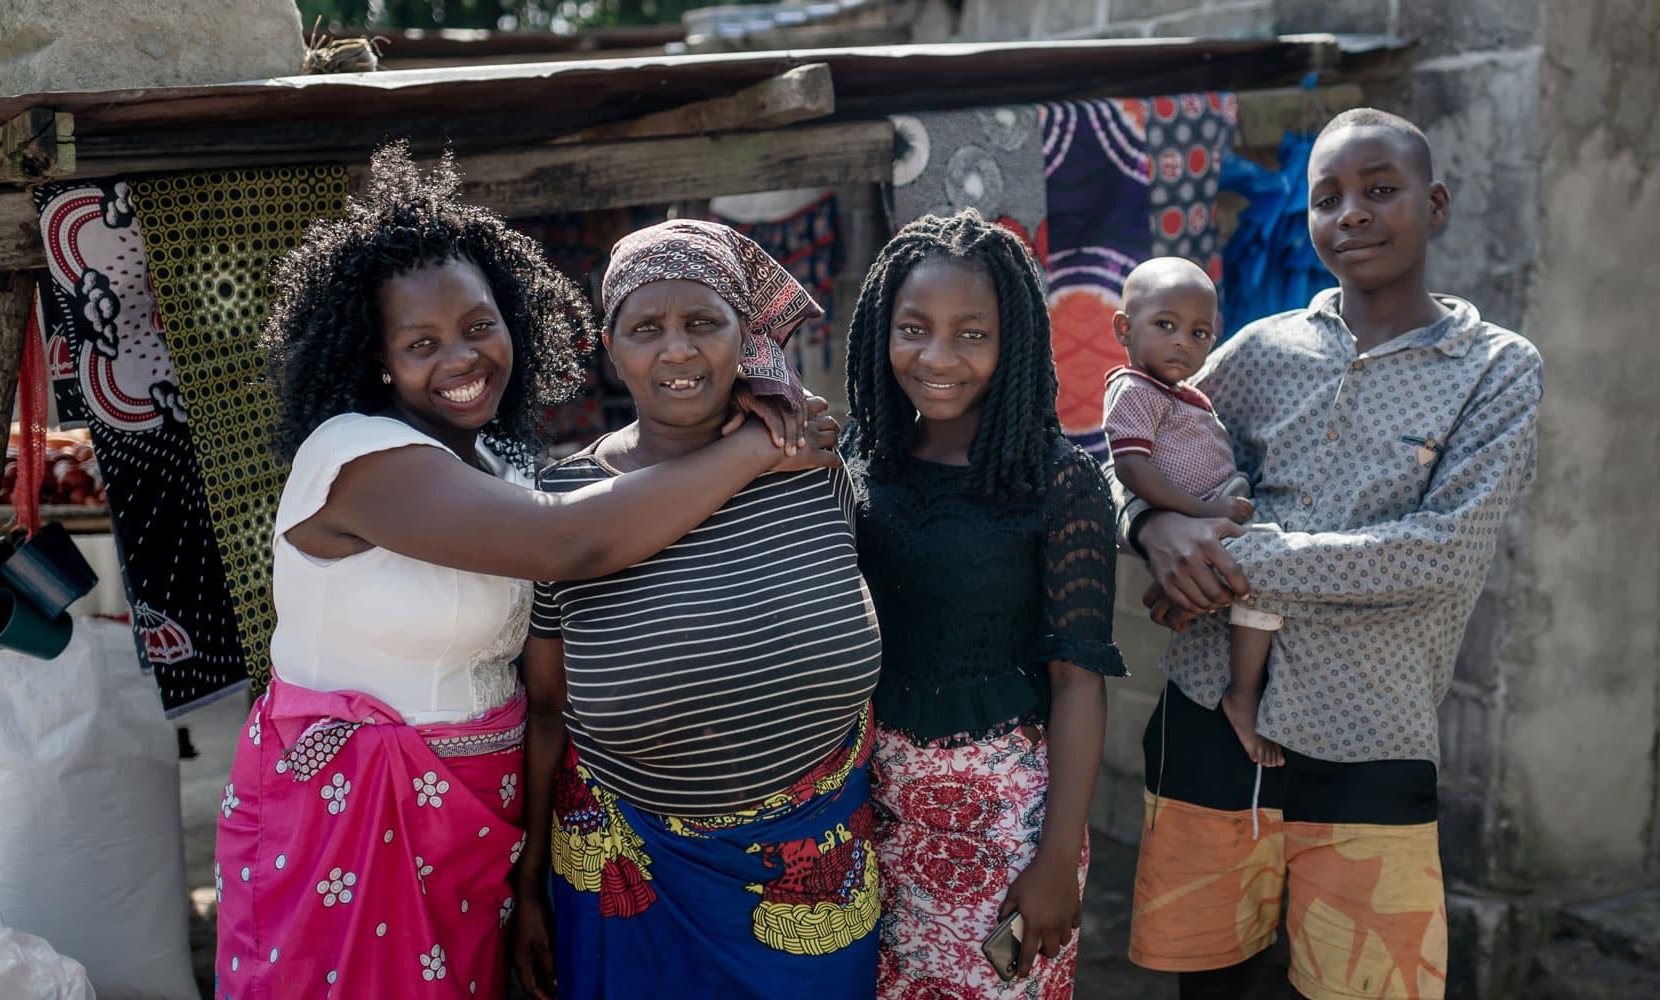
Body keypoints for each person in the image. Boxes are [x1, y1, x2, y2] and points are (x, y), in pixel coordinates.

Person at [213, 145, 837, 999]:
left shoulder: (505, 466)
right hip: (353, 816)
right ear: (376, 357)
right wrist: (762, 446)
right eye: (421, 342)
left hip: (478, 818)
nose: (461, 359)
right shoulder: (355, 456)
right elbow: (569, 543)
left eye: (478, 327)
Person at [1113, 109, 1543, 1000]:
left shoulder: (1495, 369)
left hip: (1369, 732)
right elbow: (1132, 445)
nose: (1351, 213)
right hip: (1205, 715)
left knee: (1365, 988)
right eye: (1326, 198)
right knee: (1209, 983)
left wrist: (1230, 561)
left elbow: (1434, 556)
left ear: (1436, 204)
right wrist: (1151, 531)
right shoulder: (1262, 351)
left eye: (1379, 190)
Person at [508, 220, 882, 1000]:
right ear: (610, 348)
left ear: (743, 335)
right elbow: (546, 712)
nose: (676, 351)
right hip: (631, 878)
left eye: (703, 323)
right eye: (646, 328)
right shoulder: (561, 505)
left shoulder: (809, 469)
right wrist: (531, 886)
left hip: (815, 867)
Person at [842, 209, 1124, 1000]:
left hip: (1004, 829)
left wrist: (1056, 858)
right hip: (863, 812)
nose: (938, 357)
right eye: (913, 328)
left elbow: (1077, 681)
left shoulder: (1060, 483)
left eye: (972, 334)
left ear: (1016, 343)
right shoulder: (860, 464)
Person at [1102, 256, 1283, 768]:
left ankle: (1182, 601)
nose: (1184, 341)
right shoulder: (1133, 390)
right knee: (1260, 584)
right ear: (1124, 328)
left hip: (1216, 509)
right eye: (1165, 325)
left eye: (1200, 332)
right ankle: (1242, 694)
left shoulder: (1183, 393)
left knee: (1243, 582)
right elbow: (1132, 470)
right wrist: (1200, 512)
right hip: (1203, 515)